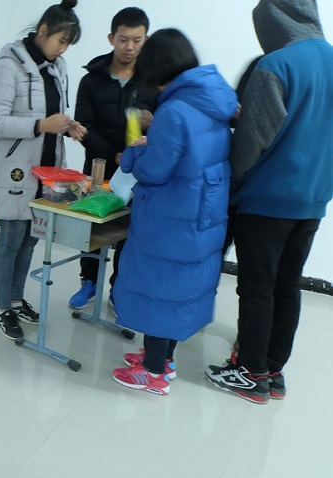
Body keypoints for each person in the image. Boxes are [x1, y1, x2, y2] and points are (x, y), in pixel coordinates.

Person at [205, 0, 333, 404]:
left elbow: (251, 141)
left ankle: (250, 372)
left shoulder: (276, 65)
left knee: (256, 288)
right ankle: (274, 371)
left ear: (273, 19)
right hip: (313, 200)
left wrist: (232, 181)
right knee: (287, 285)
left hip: (267, 200)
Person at [109, 28, 237, 395]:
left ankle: (153, 373)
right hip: (201, 215)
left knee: (158, 289)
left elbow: (154, 171)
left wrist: (136, 151)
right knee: (178, 290)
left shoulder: (174, 111)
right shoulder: (214, 100)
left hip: (170, 218)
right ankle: (162, 360)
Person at [0, 0, 87, 340]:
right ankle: (2, 309)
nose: (63, 49)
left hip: (46, 171)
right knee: (10, 242)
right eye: (61, 40)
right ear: (43, 31)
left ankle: (16, 299)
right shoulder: (10, 64)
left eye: (68, 44)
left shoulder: (57, 67)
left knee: (29, 242)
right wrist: (41, 125)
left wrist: (66, 126)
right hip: (14, 171)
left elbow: (51, 115)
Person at [69, 7, 158, 311]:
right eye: (123, 39)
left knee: (129, 233)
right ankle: (88, 283)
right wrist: (114, 154)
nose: (129, 47)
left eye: (137, 40)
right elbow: (84, 126)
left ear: (146, 40)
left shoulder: (153, 82)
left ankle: (119, 289)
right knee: (92, 228)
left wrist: (154, 123)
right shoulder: (92, 80)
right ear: (111, 38)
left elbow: (168, 128)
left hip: (138, 174)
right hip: (98, 169)